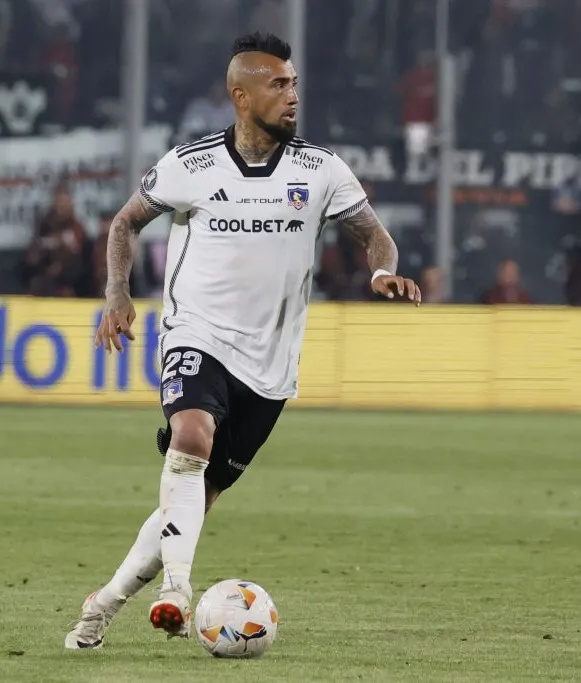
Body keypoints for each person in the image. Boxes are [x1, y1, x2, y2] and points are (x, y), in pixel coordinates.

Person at [64, 32, 420, 650]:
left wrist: (381, 271)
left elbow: (373, 234)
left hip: (271, 365)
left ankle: (104, 604)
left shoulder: (321, 169)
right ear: (241, 95)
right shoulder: (192, 164)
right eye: (278, 84)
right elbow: (125, 222)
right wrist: (116, 293)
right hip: (195, 333)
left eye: (294, 84)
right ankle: (176, 590)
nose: (293, 96)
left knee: (195, 499)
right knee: (190, 435)